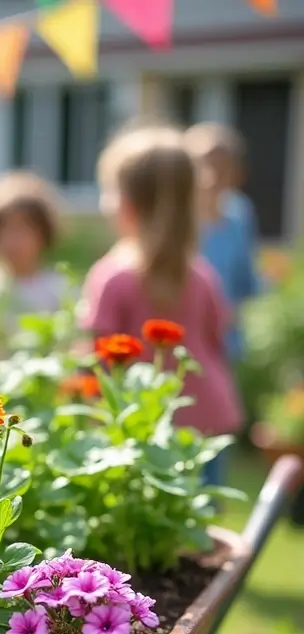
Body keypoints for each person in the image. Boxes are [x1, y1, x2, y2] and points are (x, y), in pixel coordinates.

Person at [80, 124, 243, 487]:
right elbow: (219, 336)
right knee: (197, 525)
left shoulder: (112, 275)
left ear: (125, 203)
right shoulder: (201, 273)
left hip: (144, 429)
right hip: (207, 419)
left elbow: (94, 358)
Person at [185, 123, 260, 362]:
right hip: (180, 336)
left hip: (224, 342)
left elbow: (245, 282)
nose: (212, 175)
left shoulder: (239, 213)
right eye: (205, 165)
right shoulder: (175, 217)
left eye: (222, 166)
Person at [0, 170, 70, 336]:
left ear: (44, 233)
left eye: (22, 230)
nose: (12, 242)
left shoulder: (59, 291)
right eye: (3, 231)